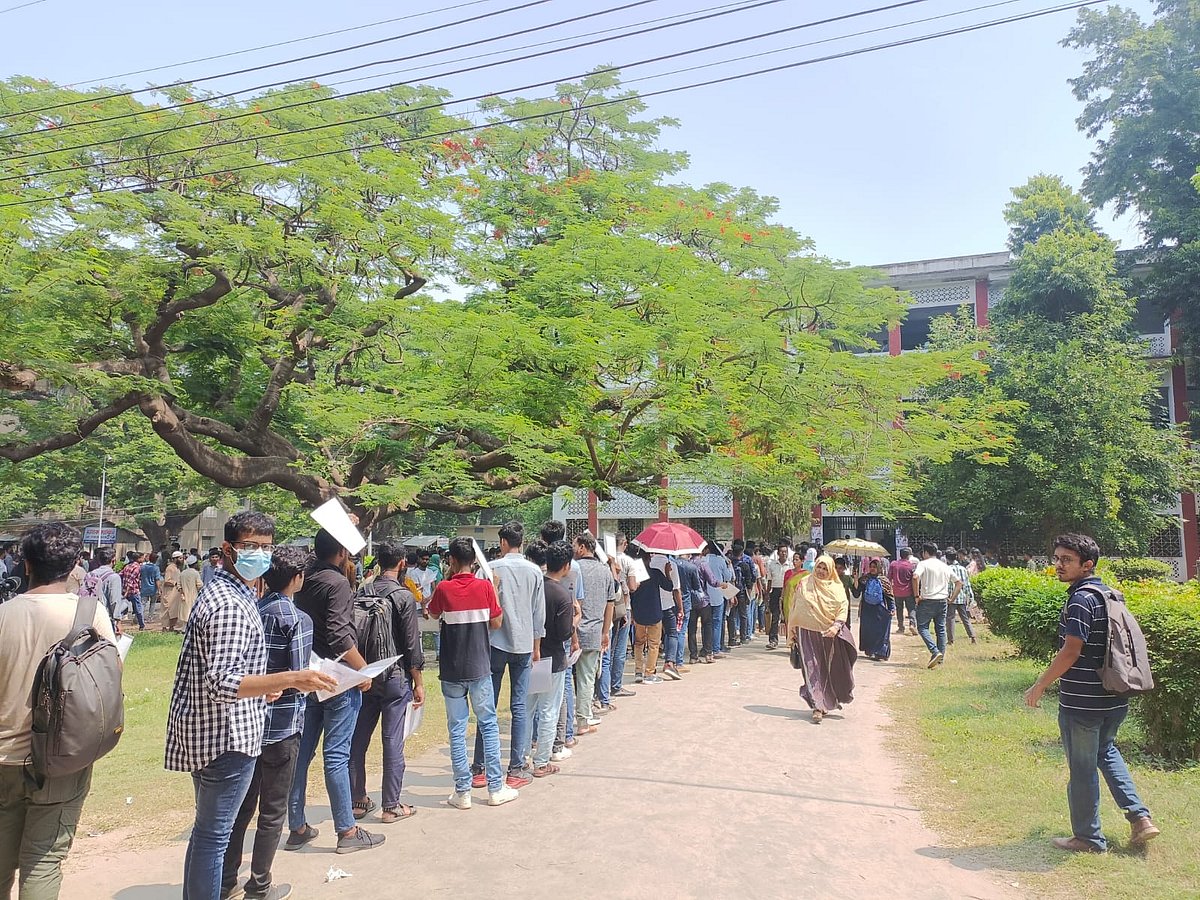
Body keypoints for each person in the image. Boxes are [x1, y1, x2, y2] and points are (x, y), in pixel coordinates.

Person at [165, 512, 337, 900]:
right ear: (228, 550)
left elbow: (233, 671)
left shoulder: (241, 596)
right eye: (250, 547)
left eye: (265, 547)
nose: (258, 554)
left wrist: (264, 688)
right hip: (225, 736)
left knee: (208, 832)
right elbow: (223, 682)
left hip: (223, 728)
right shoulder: (229, 604)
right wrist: (292, 678)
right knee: (213, 835)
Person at [0, 523, 119, 900]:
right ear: (74, 565)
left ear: (26, 563)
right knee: (43, 859)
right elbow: (111, 675)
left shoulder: (4, 615)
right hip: (61, 756)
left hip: (3, 757)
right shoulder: (89, 614)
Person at [1024, 534, 1159, 853]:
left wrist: (1040, 684)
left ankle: (1088, 838)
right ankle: (1140, 818)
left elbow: (1071, 651)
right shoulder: (1108, 594)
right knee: (1106, 753)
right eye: (1056, 558)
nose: (1058, 565)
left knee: (1083, 770)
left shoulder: (1081, 599)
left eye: (1066, 560)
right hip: (1114, 696)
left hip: (1083, 703)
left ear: (1088, 565)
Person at [222, 545, 314, 900]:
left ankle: (226, 878)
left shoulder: (252, 610)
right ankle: (259, 884)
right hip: (282, 725)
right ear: (297, 579)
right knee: (272, 811)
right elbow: (298, 677)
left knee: (241, 809)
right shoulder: (296, 619)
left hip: (246, 722)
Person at [289, 529, 385, 855]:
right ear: (342, 551)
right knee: (336, 755)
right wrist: (364, 670)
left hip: (311, 673)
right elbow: (341, 635)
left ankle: (297, 825)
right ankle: (347, 830)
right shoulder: (338, 584)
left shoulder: (307, 579)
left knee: (302, 753)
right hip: (339, 678)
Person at [427, 538, 516, 809]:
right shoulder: (485, 587)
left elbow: (431, 613)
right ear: (474, 562)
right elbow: (497, 623)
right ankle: (495, 788)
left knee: (456, 729)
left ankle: (462, 791)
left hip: (452, 669)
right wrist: (495, 591)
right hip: (479, 667)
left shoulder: (443, 588)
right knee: (487, 724)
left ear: (451, 561)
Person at [349, 543, 425, 824]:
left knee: (359, 738)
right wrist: (418, 682)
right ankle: (391, 805)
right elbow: (411, 646)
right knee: (393, 740)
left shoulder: (362, 591)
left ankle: (357, 800)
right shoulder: (403, 596)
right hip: (394, 675)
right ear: (403, 563)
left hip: (365, 673)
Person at [470, 521, 543, 790]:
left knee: (486, 706)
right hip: (524, 645)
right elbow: (539, 613)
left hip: (494, 643)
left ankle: (479, 768)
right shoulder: (535, 571)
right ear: (521, 541)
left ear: (502, 543)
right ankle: (515, 767)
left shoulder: (488, 570)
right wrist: (537, 646)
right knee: (520, 707)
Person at [527, 540, 578, 778]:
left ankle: (523, 755)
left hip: (532, 655)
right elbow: (564, 632)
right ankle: (541, 761)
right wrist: (576, 618)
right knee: (549, 709)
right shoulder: (563, 595)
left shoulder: (535, 587)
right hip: (554, 658)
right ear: (566, 566)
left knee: (528, 708)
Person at [787, 554, 857, 724]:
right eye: (819, 567)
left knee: (828, 668)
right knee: (812, 668)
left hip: (828, 633)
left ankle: (828, 700)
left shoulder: (837, 587)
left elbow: (843, 608)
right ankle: (818, 705)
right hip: (806, 632)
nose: (821, 571)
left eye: (825, 568)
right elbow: (795, 606)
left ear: (831, 570)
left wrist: (836, 626)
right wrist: (793, 630)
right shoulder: (804, 584)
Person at [572, 533, 614, 735]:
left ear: (582, 547)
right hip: (594, 631)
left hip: (572, 630)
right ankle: (582, 719)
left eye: (575, 545)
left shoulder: (572, 569)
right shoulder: (605, 570)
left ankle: (568, 720)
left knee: (567, 679)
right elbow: (610, 604)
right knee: (587, 677)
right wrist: (605, 631)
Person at [601, 533, 638, 706]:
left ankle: (604, 686)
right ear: (624, 543)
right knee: (619, 649)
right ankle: (615, 684)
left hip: (607, 608)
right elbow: (631, 587)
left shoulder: (604, 560)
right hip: (623, 607)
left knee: (608, 648)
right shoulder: (628, 561)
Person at [913, 543, 960, 668]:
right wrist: (952, 598)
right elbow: (959, 583)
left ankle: (935, 651)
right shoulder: (944, 566)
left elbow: (915, 576)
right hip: (942, 600)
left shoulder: (923, 564)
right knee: (940, 629)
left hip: (927, 600)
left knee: (922, 627)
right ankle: (940, 659)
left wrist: (916, 595)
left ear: (925, 552)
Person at [629, 547, 667, 685]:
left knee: (638, 643)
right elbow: (669, 586)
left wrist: (632, 612)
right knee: (653, 644)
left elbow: (632, 594)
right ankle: (649, 673)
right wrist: (668, 572)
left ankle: (638, 671)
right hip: (654, 612)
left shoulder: (634, 575)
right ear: (649, 559)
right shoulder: (655, 573)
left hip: (639, 613)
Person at [854, 558, 895, 661]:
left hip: (879, 609)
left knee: (881, 631)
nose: (872, 569)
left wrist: (892, 608)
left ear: (879, 568)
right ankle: (870, 650)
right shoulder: (864, 579)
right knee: (868, 630)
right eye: (871, 567)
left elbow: (889, 596)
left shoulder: (884, 581)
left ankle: (881, 652)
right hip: (867, 610)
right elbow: (856, 594)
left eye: (874, 567)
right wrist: (855, 580)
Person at [679, 553, 712, 664]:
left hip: (689, 600)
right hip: (703, 600)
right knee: (707, 626)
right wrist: (720, 584)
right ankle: (708, 653)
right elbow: (712, 580)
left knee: (691, 629)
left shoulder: (683, 565)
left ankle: (693, 656)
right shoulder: (703, 564)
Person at [704, 542, 734, 659]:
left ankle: (706, 649)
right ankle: (715, 649)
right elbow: (728, 577)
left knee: (706, 624)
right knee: (717, 623)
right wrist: (729, 566)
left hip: (705, 596)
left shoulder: (703, 560)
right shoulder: (721, 561)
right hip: (717, 596)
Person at [79, 546, 123, 626]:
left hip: (89, 616)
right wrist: (118, 621)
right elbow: (114, 601)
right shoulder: (114, 577)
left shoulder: (89, 574)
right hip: (105, 617)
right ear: (113, 560)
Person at [944, 549, 977, 645]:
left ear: (946, 558)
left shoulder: (947, 569)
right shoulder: (963, 569)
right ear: (956, 557)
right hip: (962, 597)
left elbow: (948, 584)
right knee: (965, 618)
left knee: (950, 618)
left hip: (951, 597)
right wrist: (970, 597)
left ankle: (951, 640)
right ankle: (973, 637)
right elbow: (966, 584)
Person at [764, 542, 791, 649]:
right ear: (778, 553)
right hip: (775, 591)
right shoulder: (772, 565)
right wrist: (767, 594)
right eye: (781, 552)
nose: (783, 554)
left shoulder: (791, 565)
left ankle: (791, 640)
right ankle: (773, 640)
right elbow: (769, 580)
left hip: (788, 592)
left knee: (789, 617)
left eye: (785, 552)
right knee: (775, 617)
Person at [890, 547, 917, 636]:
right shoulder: (911, 565)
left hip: (897, 591)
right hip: (909, 591)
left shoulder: (894, 564)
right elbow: (914, 578)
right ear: (908, 556)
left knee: (899, 609)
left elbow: (889, 577)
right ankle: (912, 623)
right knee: (911, 608)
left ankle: (901, 627)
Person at [162, 550, 187, 632]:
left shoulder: (178, 568)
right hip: (169, 593)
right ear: (175, 559)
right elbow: (167, 581)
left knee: (175, 611)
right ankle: (165, 628)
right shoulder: (170, 568)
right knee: (168, 610)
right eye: (180, 558)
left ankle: (172, 627)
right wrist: (175, 583)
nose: (182, 560)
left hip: (176, 593)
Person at [119, 551, 144, 629]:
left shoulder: (127, 566)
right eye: (142, 557)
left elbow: (120, 574)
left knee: (123, 606)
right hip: (134, 590)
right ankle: (141, 625)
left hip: (125, 590)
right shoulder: (137, 567)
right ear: (139, 558)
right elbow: (131, 579)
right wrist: (127, 591)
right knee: (138, 608)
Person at [179, 555, 202, 625]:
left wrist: (182, 593)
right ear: (195, 564)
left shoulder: (182, 573)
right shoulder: (196, 573)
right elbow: (199, 585)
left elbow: (179, 585)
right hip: (194, 595)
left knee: (184, 612)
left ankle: (184, 628)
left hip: (184, 595)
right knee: (192, 611)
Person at [140, 553, 163, 623]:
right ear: (156, 560)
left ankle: (140, 617)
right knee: (152, 604)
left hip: (144, 588)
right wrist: (159, 590)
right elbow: (157, 579)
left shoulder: (143, 567)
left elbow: (140, 577)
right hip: (153, 588)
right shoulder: (156, 568)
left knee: (143, 604)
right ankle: (150, 618)